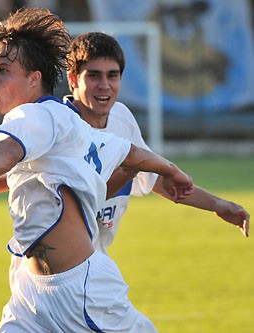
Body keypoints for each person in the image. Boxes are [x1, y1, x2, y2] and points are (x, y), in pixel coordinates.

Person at [0, 7, 194, 332]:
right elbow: (130, 152)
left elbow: (7, 151)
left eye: (4, 71)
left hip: (80, 290)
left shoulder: (35, 116)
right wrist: (171, 169)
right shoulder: (69, 123)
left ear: (34, 78)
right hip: (31, 295)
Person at [64, 32, 249, 254]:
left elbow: (157, 181)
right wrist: (130, 169)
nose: (105, 85)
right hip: (55, 268)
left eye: (112, 76)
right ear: (73, 79)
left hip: (94, 259)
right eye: (93, 76)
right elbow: (73, 207)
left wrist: (218, 205)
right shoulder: (57, 125)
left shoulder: (121, 118)